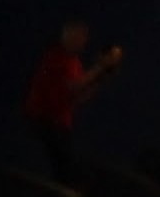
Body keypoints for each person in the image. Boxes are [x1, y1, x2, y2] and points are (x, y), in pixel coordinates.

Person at [25, 16, 122, 171]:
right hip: (44, 120)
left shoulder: (75, 63)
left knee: (66, 168)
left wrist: (101, 79)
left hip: (60, 124)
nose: (84, 40)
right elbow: (73, 87)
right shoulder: (55, 55)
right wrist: (100, 67)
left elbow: (77, 98)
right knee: (61, 166)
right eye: (80, 36)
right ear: (68, 35)